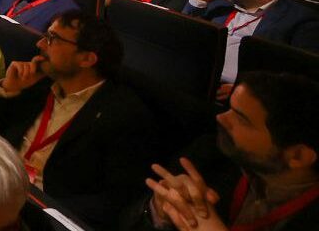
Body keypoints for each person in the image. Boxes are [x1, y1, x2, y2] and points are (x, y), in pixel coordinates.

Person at [0, 11, 156, 228]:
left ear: (87, 58)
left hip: (39, 215)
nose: (40, 44)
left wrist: (33, 207)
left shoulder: (124, 114)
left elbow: (114, 201)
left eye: (52, 39)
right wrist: (8, 91)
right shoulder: (36, 83)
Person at [131, 72, 319, 231]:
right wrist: (157, 212)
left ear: (298, 156)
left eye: (242, 119)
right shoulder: (211, 153)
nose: (221, 118)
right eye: (230, 109)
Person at [183, 0, 319, 95]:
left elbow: (301, 77)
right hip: (196, 79)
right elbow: (181, 36)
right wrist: (197, 0)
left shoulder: (300, 20)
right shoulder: (220, 2)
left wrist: (247, 90)